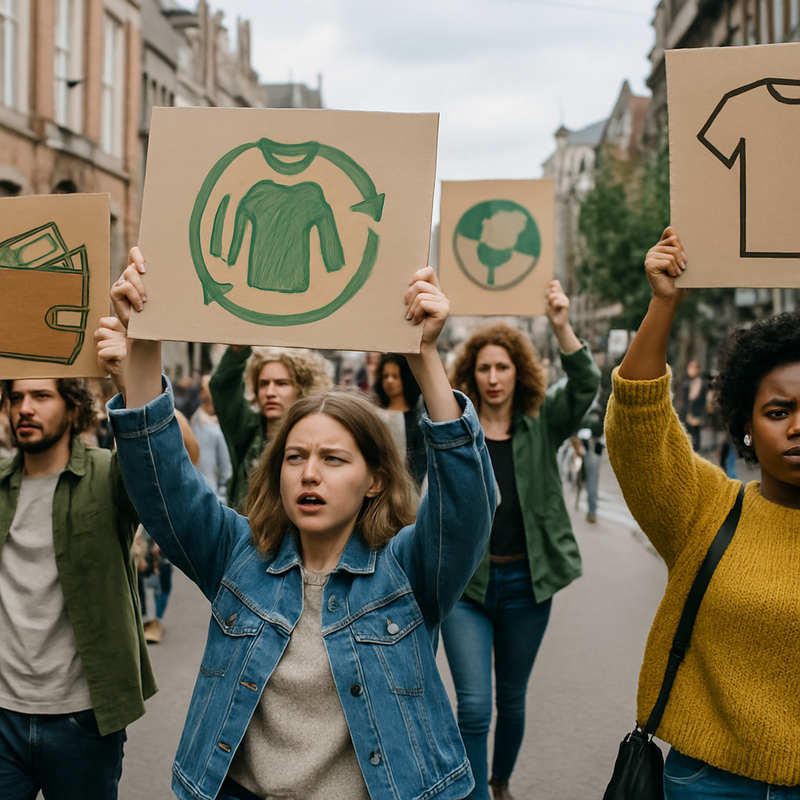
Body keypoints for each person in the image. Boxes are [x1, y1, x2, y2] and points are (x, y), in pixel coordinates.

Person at [94, 248, 497, 800]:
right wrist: (146, 336)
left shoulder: (406, 571)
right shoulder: (237, 553)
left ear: (374, 480)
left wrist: (424, 356)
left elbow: (466, 504)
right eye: (295, 457)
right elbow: (162, 481)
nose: (310, 474)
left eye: (334, 459)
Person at [605, 226, 800, 797]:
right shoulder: (708, 509)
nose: (798, 426)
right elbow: (639, 430)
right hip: (707, 785)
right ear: (744, 423)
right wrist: (664, 304)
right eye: (778, 410)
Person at [441, 280, 601, 800]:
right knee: (473, 705)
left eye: (502, 367)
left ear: (519, 372)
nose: (492, 378)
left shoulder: (541, 422)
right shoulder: (455, 429)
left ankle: (500, 781)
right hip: (468, 585)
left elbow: (584, 385)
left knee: (511, 701)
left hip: (528, 584)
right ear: (471, 373)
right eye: (484, 368)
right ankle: (473, 795)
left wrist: (560, 323)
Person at [0, 377, 156, 799]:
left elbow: (157, 465)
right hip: (3, 716)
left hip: (83, 720)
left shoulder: (108, 475)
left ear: (73, 408)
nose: (24, 408)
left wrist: (130, 379)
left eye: (41, 396)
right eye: (16, 398)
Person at [210, 343, 332, 510]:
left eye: (281, 383)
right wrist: (237, 351)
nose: (270, 392)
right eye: (263, 384)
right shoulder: (246, 431)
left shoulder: (318, 436)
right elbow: (223, 388)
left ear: (301, 388)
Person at [373, 353, 427, 487]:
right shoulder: (373, 414)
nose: (389, 381)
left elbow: (419, 463)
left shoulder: (417, 419)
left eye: (395, 376)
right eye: (386, 376)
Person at [191, 374, 233, 502]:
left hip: (212, 497)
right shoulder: (195, 419)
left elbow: (226, 471)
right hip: (194, 491)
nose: (201, 394)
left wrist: (221, 498)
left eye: (204, 388)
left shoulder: (222, 427)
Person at [678, 359, 708, 451]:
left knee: (696, 439)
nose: (690, 370)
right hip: (686, 415)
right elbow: (682, 401)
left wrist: (699, 416)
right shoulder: (685, 383)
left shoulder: (702, 383)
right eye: (689, 367)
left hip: (696, 416)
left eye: (693, 368)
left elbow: (704, 401)